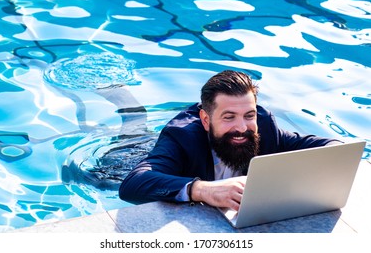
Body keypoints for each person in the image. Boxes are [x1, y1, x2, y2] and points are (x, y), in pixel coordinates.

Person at [119, 70, 341, 211]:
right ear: (206, 120)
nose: (242, 128)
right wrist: (203, 190)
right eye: (229, 117)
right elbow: (132, 184)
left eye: (249, 115)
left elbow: (333, 149)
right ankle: (124, 101)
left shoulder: (265, 128)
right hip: (125, 161)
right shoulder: (181, 138)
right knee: (133, 132)